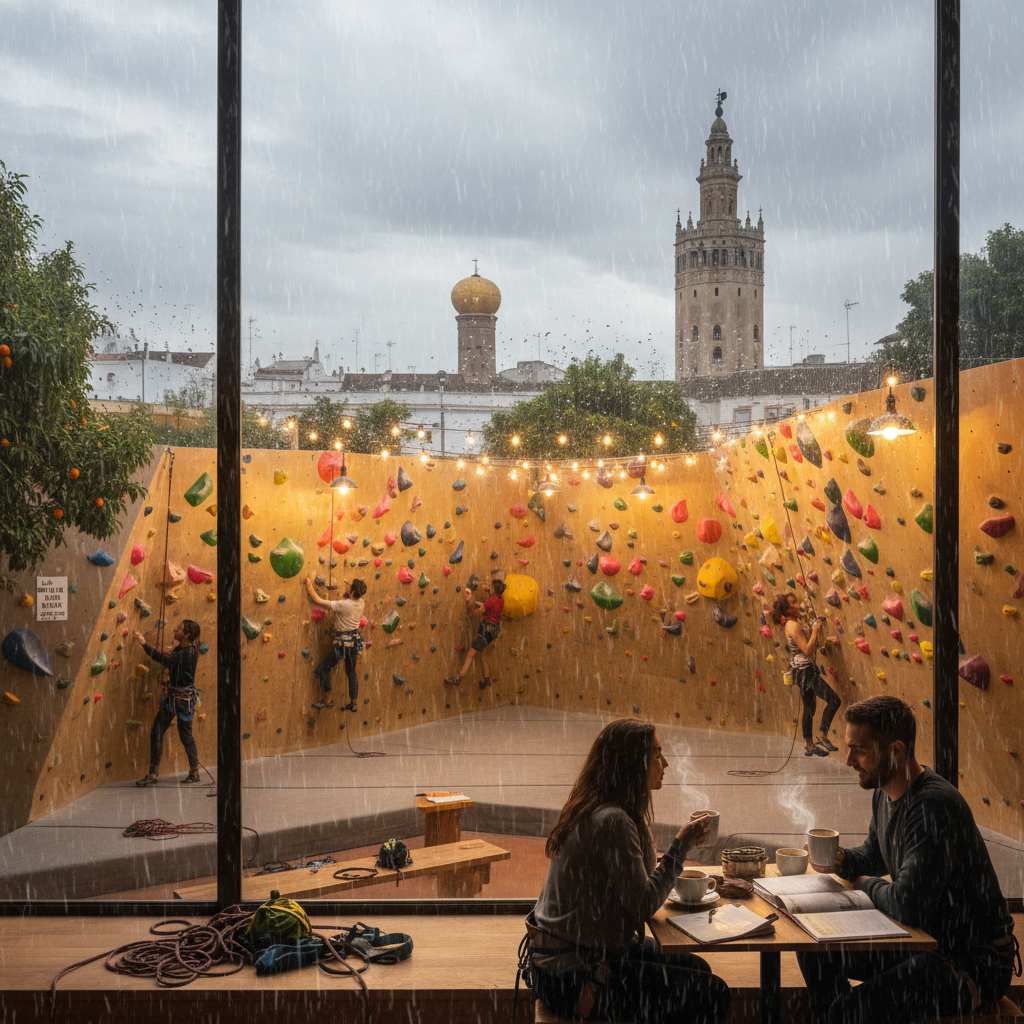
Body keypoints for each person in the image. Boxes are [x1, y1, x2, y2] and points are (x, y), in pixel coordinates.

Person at [797, 695, 1018, 1024]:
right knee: (815, 951)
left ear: (896, 751)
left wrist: (863, 882)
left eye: (859, 750)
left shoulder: (932, 806)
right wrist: (842, 861)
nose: (848, 760)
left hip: (971, 962)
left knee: (848, 1012)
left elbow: (907, 904)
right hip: (927, 942)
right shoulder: (884, 790)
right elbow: (875, 852)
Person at [527, 719, 730, 1024]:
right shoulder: (613, 821)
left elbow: (639, 880)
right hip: (575, 977)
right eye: (657, 754)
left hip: (562, 964)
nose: (665, 763)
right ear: (634, 764)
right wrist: (680, 847)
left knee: (698, 969)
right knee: (713, 993)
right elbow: (642, 904)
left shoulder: (602, 807)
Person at [770, 592, 841, 756]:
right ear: (787, 610)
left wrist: (812, 624)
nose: (796, 605)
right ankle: (818, 738)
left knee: (810, 707)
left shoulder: (793, 623)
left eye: (795, 602)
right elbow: (808, 650)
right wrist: (815, 630)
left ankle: (813, 743)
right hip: (804, 672)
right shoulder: (793, 626)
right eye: (792, 604)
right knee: (831, 701)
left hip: (804, 670)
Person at [133, 619, 202, 786]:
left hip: (183, 700)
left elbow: (164, 659)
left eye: (179, 629)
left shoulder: (189, 653)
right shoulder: (181, 650)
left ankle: (194, 771)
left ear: (187, 634)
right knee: (157, 732)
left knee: (185, 736)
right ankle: (153, 774)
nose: (175, 630)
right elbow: (168, 659)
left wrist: (144, 644)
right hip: (174, 698)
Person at [305, 575, 366, 712]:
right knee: (351, 672)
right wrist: (348, 593)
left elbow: (317, 600)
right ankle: (353, 702)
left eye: (349, 587)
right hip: (354, 641)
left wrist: (308, 583)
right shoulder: (361, 602)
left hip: (343, 644)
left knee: (323, 668)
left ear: (353, 592)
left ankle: (327, 700)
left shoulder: (343, 605)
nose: (347, 587)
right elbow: (350, 599)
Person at [444, 578, 505, 688]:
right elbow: (485, 605)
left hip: (486, 631)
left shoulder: (492, 601)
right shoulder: (501, 600)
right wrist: (475, 600)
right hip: (494, 631)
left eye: (491, 587)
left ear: (494, 589)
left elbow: (481, 609)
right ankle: (486, 679)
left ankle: (458, 678)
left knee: (470, 654)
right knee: (482, 653)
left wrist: (471, 611)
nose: (489, 588)